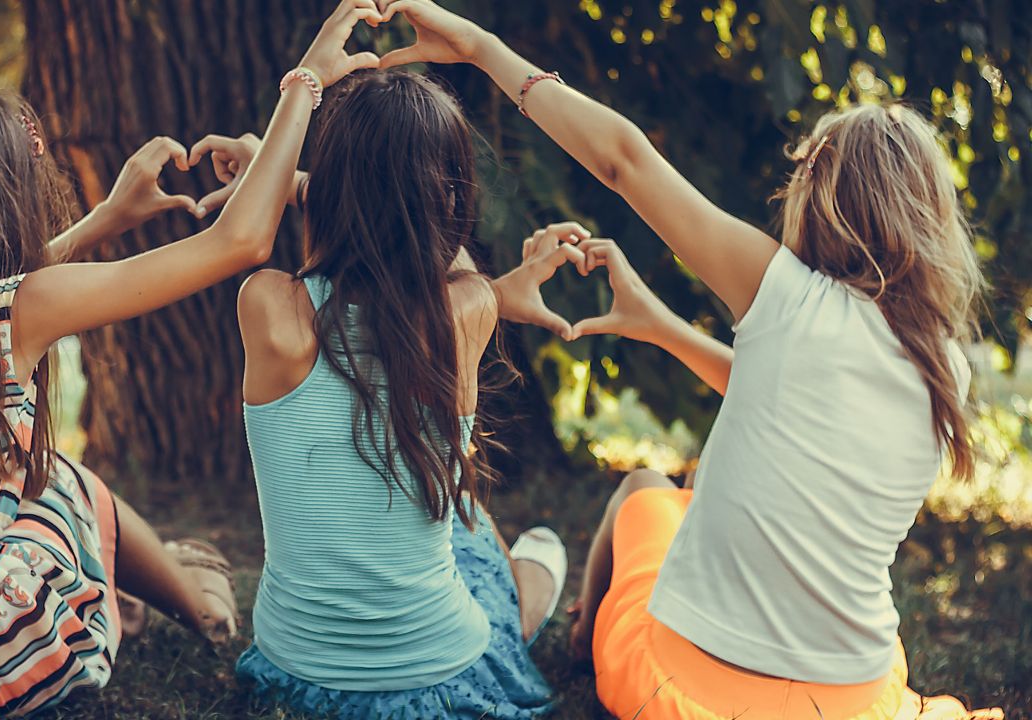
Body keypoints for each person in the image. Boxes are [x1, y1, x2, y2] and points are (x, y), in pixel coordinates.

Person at [372, 1, 1005, 719]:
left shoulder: (787, 295)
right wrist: (664, 327)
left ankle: (585, 645)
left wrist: (484, 50)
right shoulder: (942, 365)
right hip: (853, 697)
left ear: (819, 197)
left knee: (645, 485)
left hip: (686, 694)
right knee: (692, 501)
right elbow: (786, 399)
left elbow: (624, 160)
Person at [0, 3, 378, 716]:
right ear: (7, 197)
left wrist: (103, 224)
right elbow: (240, 243)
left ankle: (139, 589)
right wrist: (305, 83)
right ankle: (206, 613)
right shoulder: (19, 311)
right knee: (66, 487)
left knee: (48, 486)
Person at [192, 69, 592, 718]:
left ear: (329, 189)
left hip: (296, 676)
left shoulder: (271, 309)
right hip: (439, 677)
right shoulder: (466, 311)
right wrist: (326, 186)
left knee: (466, 524)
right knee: (506, 535)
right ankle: (531, 581)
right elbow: (449, 256)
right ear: (451, 200)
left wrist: (287, 178)